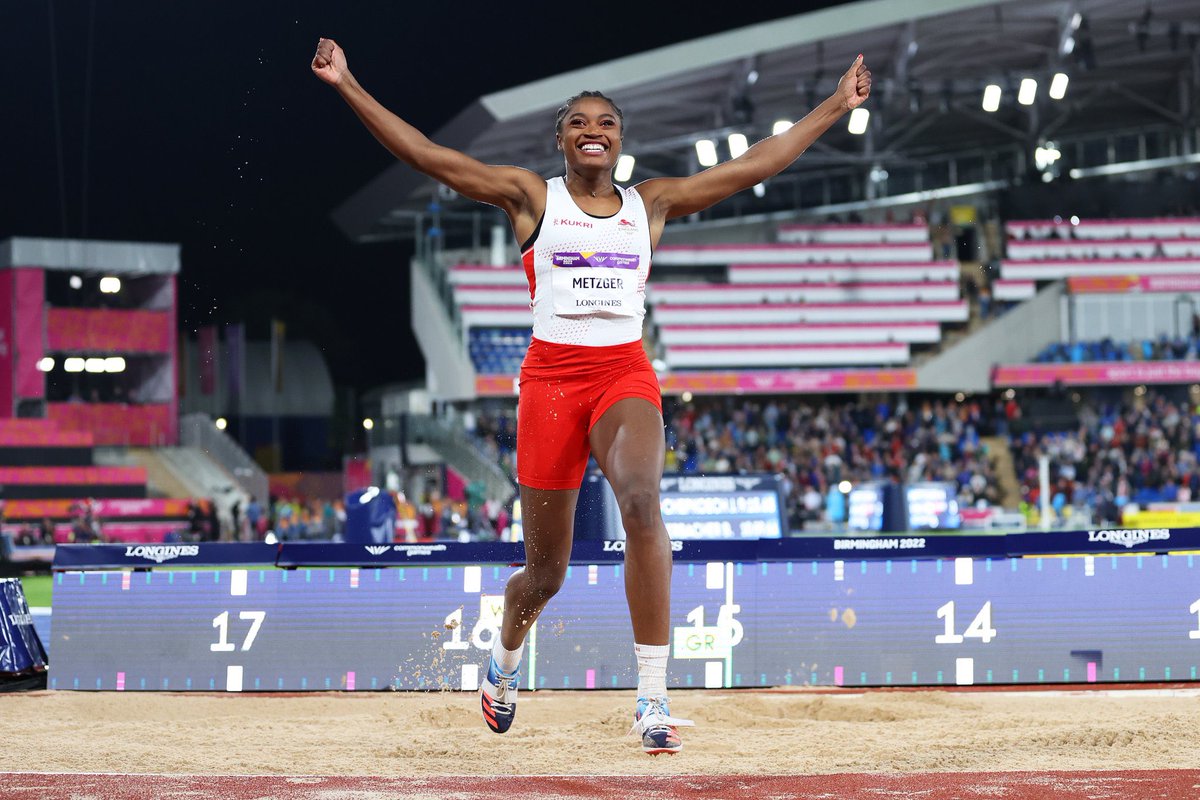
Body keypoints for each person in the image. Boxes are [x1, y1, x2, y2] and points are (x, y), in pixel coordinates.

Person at [311, 38, 870, 755]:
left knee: (641, 501)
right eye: (579, 122)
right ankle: (505, 659)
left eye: (605, 121)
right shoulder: (530, 197)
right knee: (545, 574)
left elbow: (751, 165)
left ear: (620, 139)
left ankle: (653, 698)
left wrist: (833, 104)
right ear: (561, 139)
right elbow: (427, 156)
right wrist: (349, 83)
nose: (593, 130)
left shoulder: (652, 204)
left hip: (622, 376)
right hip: (548, 386)